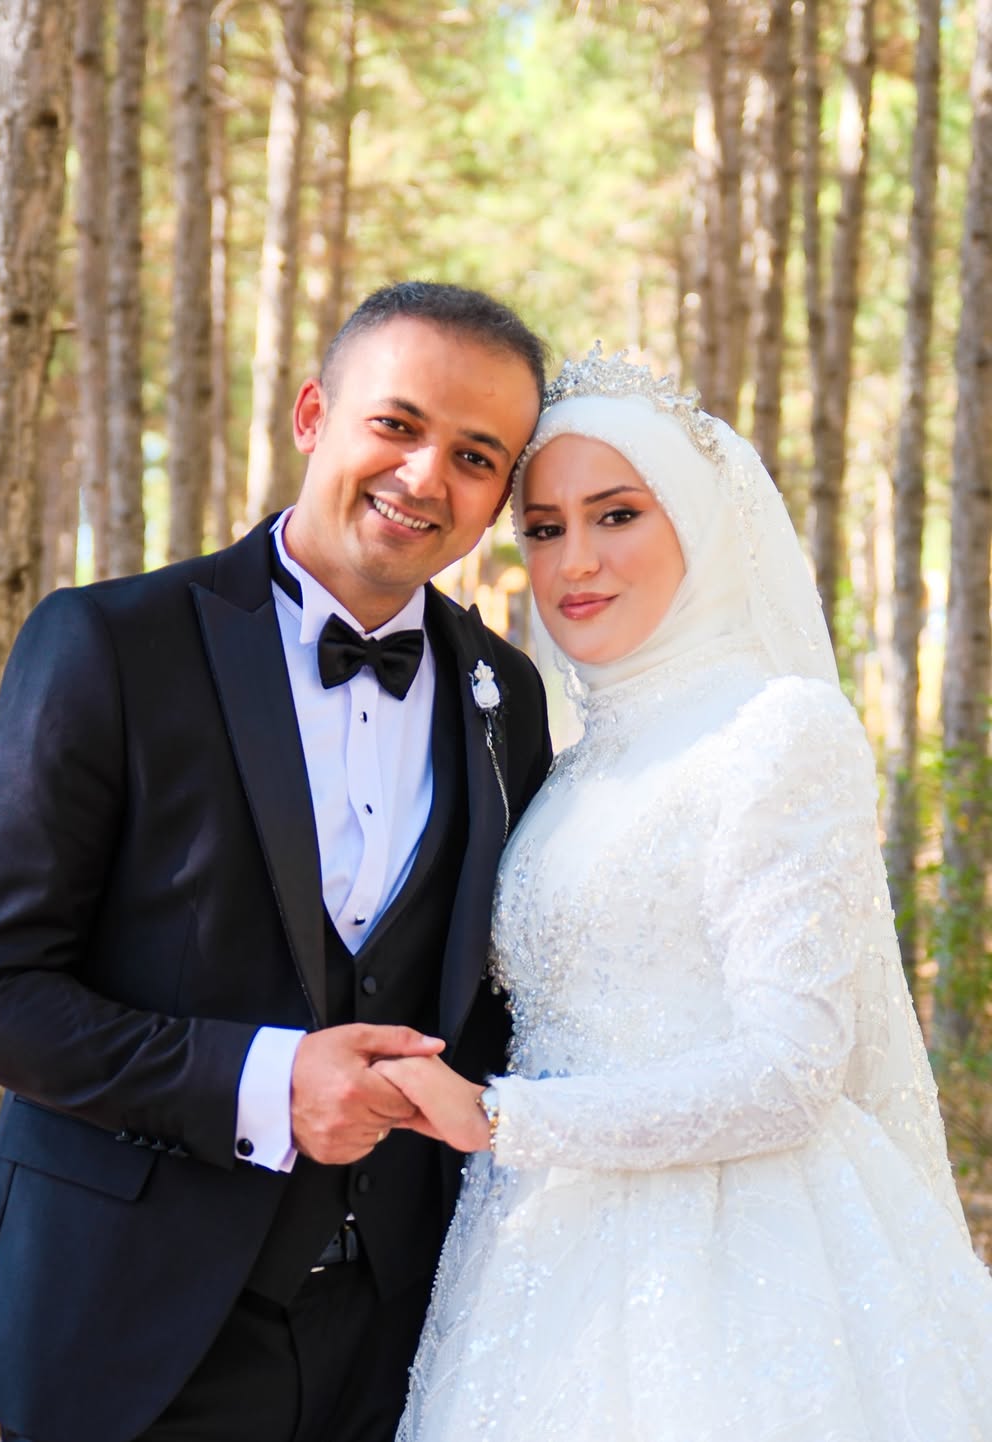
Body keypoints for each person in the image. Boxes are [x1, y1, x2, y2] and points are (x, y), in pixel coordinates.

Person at [0, 282, 554, 1442]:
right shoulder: (110, 642)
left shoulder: (503, 691)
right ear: (314, 414)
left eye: (476, 456)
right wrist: (267, 1081)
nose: (426, 476)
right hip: (125, 1329)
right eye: (397, 423)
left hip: (397, 1342)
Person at [376, 349, 992, 1441]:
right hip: (539, 1255)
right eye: (545, 527)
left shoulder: (773, 728)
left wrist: (503, 1115)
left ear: (700, 522)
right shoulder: (571, 765)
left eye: (617, 514)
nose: (576, 560)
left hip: (735, 1259)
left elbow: (792, 1070)